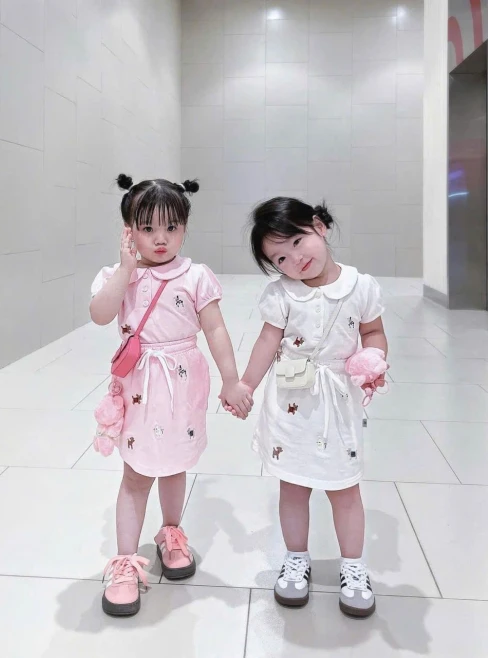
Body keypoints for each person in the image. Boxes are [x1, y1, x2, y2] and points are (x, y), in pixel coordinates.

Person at [90, 174, 252, 617]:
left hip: (182, 383)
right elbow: (100, 314)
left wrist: (231, 380)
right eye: (147, 228)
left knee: (176, 463)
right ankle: (125, 562)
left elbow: (215, 329)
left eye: (171, 227)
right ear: (128, 231)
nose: (161, 239)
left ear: (184, 227)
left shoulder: (195, 275)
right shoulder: (117, 276)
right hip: (140, 386)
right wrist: (126, 270)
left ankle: (171, 532)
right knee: (136, 473)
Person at [230, 197, 387, 617]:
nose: (295, 259)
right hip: (292, 404)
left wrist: (373, 360)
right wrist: (246, 384)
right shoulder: (282, 294)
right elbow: (268, 341)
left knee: (345, 488)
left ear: (319, 226)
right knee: (293, 485)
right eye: (280, 257)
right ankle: (296, 557)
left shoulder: (361, 286)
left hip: (339, 402)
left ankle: (353, 566)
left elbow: (373, 331)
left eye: (297, 242)